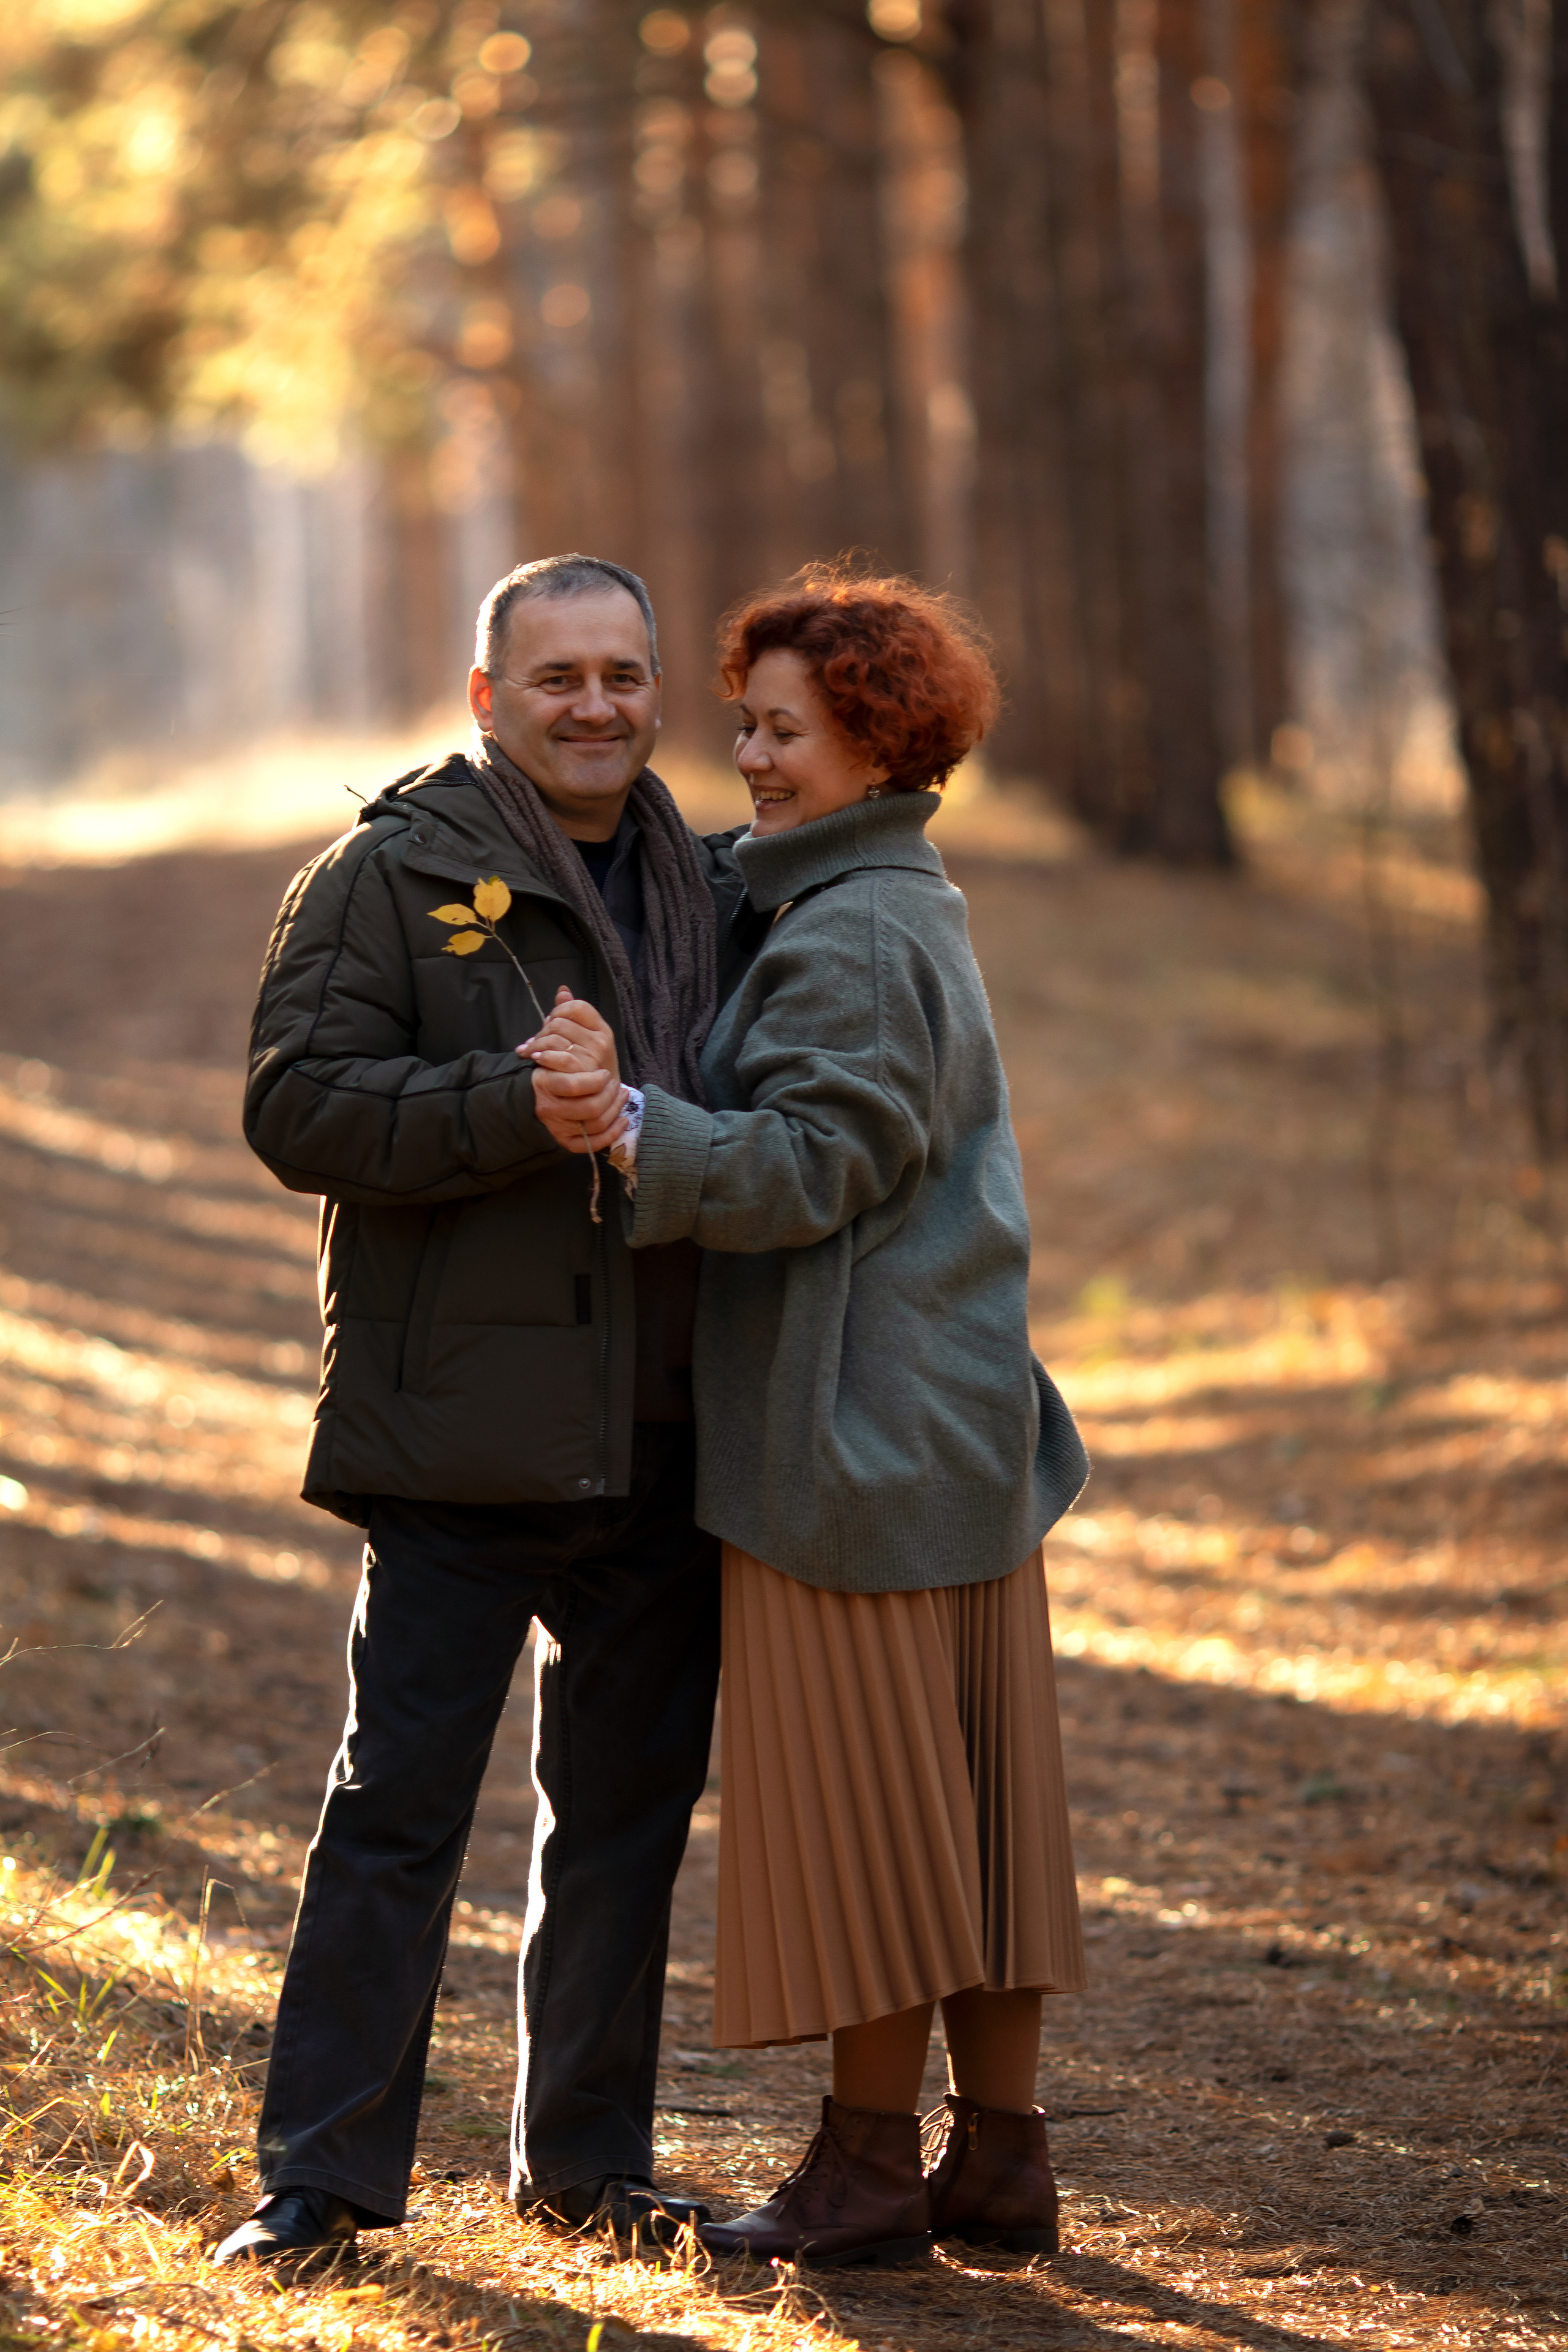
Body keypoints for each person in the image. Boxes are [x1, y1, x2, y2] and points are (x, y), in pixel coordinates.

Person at [522, 569, 1091, 2272]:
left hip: (859, 1440)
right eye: (750, 722)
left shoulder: (854, 928)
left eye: (787, 728)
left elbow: (809, 1167)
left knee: (877, 1824)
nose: (751, 757)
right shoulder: (886, 895)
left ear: (878, 738)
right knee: (982, 1814)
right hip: (952, 1426)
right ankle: (998, 2159)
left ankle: (864, 2169)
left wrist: (627, 1120)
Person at [216, 554, 767, 2268]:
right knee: (397, 1814)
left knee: (620, 1820)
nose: (594, 706)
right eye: (556, 680)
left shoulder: (727, 883)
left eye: (622, 674)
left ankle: (586, 2164)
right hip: (462, 1432)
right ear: (486, 699)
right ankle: (319, 2180)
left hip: (673, 1429)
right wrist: (504, 1106)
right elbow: (295, 1105)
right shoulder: (387, 875)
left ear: (655, 690)